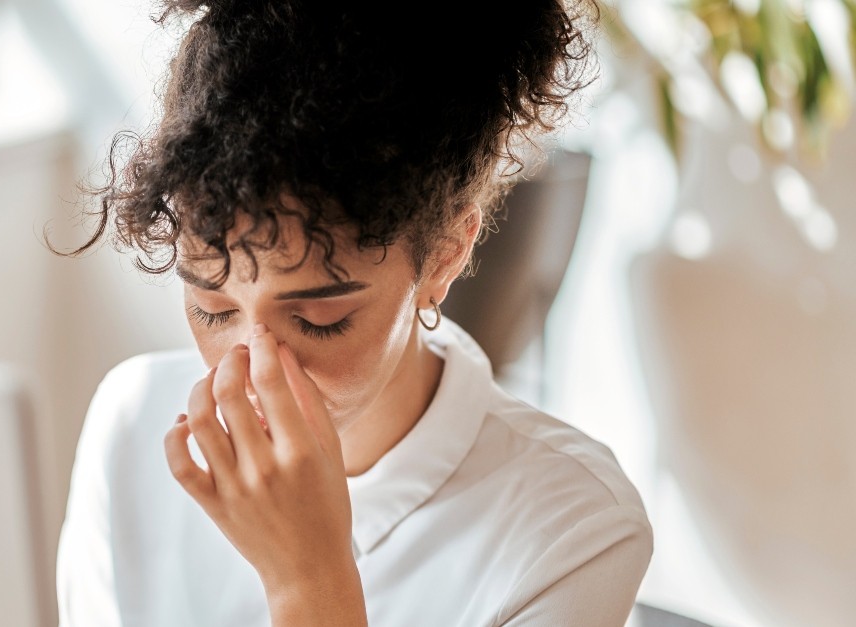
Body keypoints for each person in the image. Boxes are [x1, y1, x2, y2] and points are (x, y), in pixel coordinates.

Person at [53, 1, 653, 625]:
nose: (255, 371)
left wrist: (308, 579)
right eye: (211, 307)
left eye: (318, 320)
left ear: (445, 256)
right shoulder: (134, 422)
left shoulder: (575, 531)